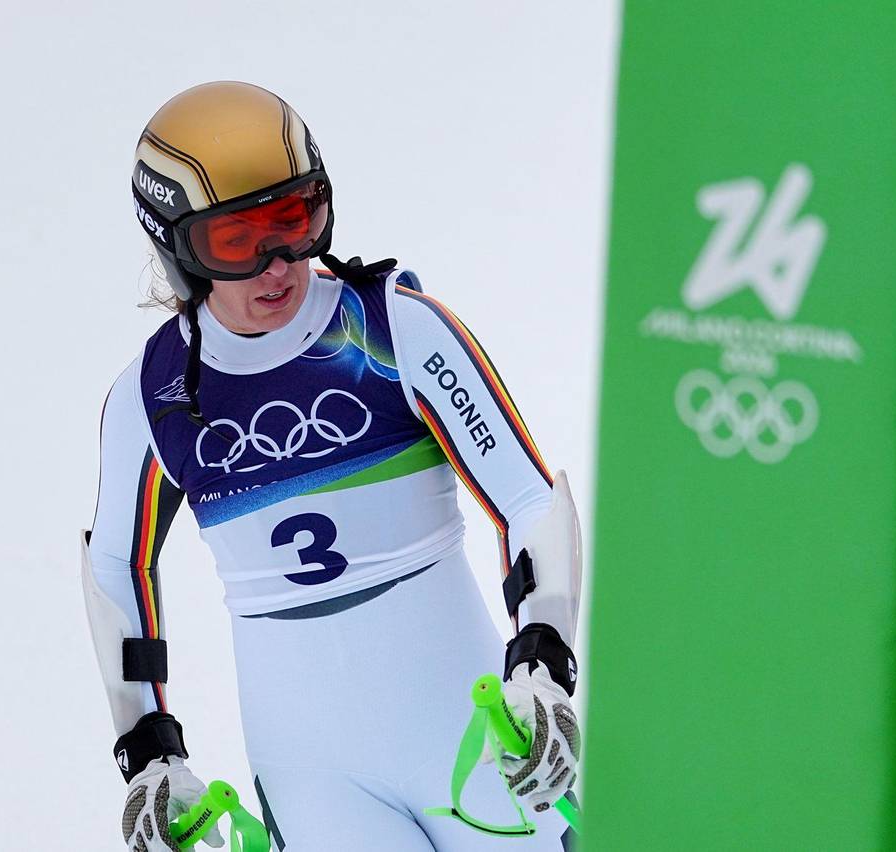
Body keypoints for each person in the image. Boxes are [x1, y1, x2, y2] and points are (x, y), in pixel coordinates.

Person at [82, 80, 583, 852]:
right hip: (315, 779)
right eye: (237, 242)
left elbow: (528, 497)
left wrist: (543, 660)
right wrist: (149, 752)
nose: (277, 265)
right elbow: (117, 564)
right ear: (177, 250)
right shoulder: (152, 397)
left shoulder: (394, 330)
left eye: (295, 220)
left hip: (475, 737)